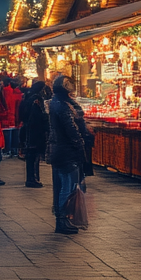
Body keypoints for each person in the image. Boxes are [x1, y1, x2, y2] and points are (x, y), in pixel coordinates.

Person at [48, 76, 86, 234]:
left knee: (61, 185)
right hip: (66, 151)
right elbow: (71, 127)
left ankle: (62, 218)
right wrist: (79, 143)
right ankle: (63, 219)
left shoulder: (54, 102)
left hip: (58, 149)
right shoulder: (62, 106)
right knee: (67, 186)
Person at [19, 80, 49, 188]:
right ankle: (32, 178)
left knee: (31, 156)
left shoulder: (27, 96)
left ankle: (32, 177)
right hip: (35, 131)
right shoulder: (36, 100)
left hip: (28, 130)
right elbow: (39, 117)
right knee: (34, 155)